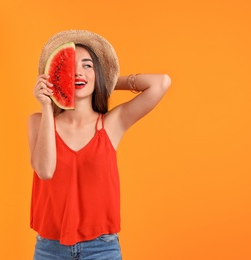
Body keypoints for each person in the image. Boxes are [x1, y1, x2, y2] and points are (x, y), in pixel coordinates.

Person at [28, 30, 171, 260]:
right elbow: (45, 171)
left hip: (102, 249)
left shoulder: (112, 124)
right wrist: (47, 104)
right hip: (50, 249)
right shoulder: (38, 122)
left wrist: (107, 82)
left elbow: (161, 82)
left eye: (87, 66)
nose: (78, 72)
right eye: (69, 68)